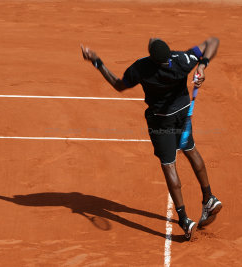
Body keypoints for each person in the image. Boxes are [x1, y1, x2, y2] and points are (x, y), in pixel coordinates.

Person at [81, 37, 222, 241]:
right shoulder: (182, 59)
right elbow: (213, 42)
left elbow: (118, 85)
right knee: (190, 149)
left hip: (161, 123)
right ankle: (208, 197)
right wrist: (202, 65)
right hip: (182, 113)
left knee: (169, 165)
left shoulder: (141, 68)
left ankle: (184, 219)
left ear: (153, 57)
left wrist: (97, 62)